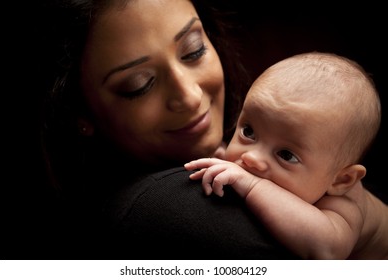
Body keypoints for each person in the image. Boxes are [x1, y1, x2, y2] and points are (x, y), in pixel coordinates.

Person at [30, 0, 300, 259]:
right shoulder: (164, 212)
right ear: (78, 111)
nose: (190, 96)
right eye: (140, 84)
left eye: (193, 51)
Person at [185, 52, 388, 259]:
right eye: (249, 132)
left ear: (341, 179)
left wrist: (253, 186)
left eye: (286, 155)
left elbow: (327, 251)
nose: (251, 158)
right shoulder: (311, 164)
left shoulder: (346, 202)